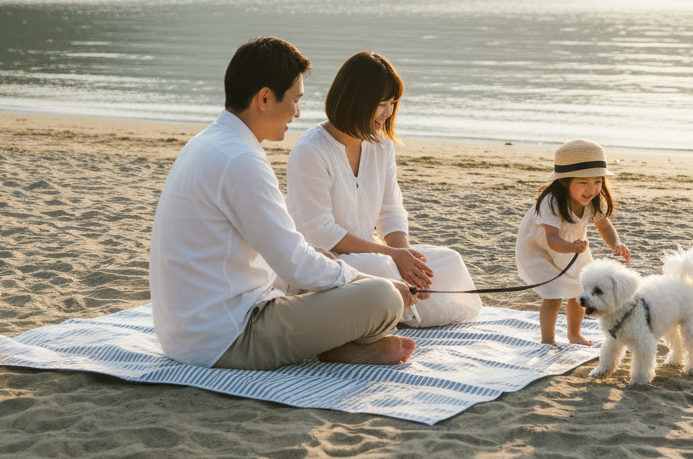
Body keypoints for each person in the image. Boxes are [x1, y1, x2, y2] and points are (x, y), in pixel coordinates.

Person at [149, 37, 416, 370]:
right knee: (383, 298)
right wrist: (362, 280)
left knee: (327, 266)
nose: (298, 112)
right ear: (264, 98)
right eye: (294, 100)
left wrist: (330, 265)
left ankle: (343, 343)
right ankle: (342, 346)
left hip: (187, 331)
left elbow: (287, 252)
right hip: (226, 337)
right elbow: (295, 265)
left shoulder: (207, 143)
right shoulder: (241, 160)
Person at [286, 51, 481, 328]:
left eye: (392, 103)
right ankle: (396, 311)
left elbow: (390, 209)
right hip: (326, 262)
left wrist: (407, 259)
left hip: (374, 256)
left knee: (449, 261)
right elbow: (321, 232)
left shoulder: (381, 144)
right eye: (381, 104)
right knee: (381, 271)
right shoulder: (311, 149)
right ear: (356, 100)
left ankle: (394, 311)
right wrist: (392, 257)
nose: (388, 113)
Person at [515, 138, 630, 347]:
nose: (592, 189)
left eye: (597, 181)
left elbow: (604, 226)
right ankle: (548, 339)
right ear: (564, 181)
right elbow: (551, 239)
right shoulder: (552, 202)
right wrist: (570, 247)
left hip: (574, 248)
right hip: (542, 249)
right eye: (583, 182)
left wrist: (616, 243)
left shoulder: (595, 200)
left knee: (579, 292)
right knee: (553, 294)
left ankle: (574, 334)